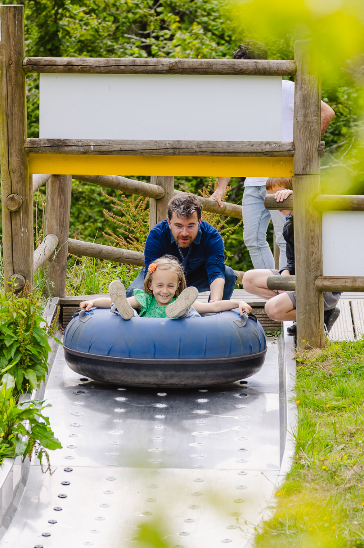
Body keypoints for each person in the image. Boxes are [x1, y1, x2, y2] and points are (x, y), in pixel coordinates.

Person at [207, 41, 336, 270]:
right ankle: (272, 287)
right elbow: (233, 143)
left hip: (282, 179)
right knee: (253, 239)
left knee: (284, 238)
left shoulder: (286, 89)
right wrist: (220, 188)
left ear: (264, 66)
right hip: (252, 180)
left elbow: (326, 112)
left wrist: (304, 151)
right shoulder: (240, 100)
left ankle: (290, 289)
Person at [241, 177, 340, 336]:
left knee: (272, 309)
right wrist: (285, 273)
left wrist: (298, 195)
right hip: (298, 280)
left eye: (280, 196)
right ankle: (304, 313)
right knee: (248, 279)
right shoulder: (289, 225)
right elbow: (291, 261)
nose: (277, 203)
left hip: (322, 287)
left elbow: (315, 199)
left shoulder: (313, 213)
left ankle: (320, 315)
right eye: (272, 198)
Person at [127, 194, 238, 301]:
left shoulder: (212, 236)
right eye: (178, 226)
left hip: (196, 277)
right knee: (133, 292)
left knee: (227, 274)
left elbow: (216, 273)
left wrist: (215, 304)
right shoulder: (157, 235)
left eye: (190, 226)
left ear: (199, 222)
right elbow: (151, 274)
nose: (184, 233)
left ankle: (216, 314)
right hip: (162, 277)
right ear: (169, 222)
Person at [81, 256, 251, 319]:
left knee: (191, 311)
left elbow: (212, 306)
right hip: (146, 337)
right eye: (160, 285)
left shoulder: (181, 301)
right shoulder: (145, 299)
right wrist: (94, 302)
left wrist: (238, 303)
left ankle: (178, 314)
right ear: (150, 285)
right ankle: (123, 312)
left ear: (178, 286)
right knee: (126, 307)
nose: (165, 290)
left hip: (175, 340)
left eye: (170, 286)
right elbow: (114, 299)